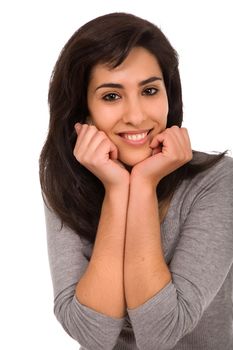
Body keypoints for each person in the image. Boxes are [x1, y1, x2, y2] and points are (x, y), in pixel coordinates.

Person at [39, 12, 233, 350]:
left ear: (169, 96)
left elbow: (160, 334)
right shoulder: (64, 177)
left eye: (150, 90)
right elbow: (91, 334)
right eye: (111, 96)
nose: (137, 115)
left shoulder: (217, 181)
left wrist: (143, 184)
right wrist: (117, 189)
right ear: (83, 111)